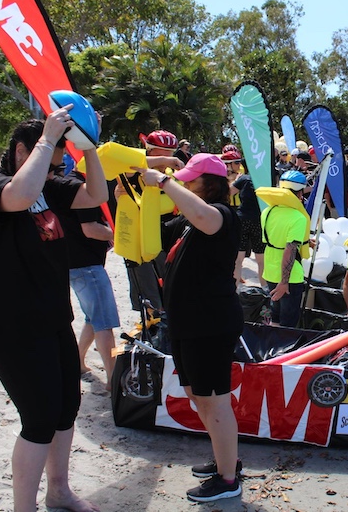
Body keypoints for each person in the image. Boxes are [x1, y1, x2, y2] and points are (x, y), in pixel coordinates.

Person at [0, 110, 108, 512]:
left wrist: (89, 147)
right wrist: (47, 142)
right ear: (22, 150)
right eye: (49, 162)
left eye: (59, 164)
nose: (54, 173)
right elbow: (19, 197)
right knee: (40, 418)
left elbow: (96, 195)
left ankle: (58, 491)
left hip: (52, 318)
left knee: (65, 409)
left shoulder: (48, 182)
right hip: (9, 326)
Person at [137, 153, 242, 502]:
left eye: (188, 179)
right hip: (189, 324)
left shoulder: (222, 215)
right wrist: (134, 194)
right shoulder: (187, 220)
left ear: (208, 183)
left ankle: (228, 480)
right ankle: (224, 459)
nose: (182, 182)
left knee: (215, 402)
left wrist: (164, 182)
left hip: (209, 324)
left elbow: (202, 214)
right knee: (200, 397)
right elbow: (151, 236)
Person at [58, 167, 120, 390]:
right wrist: (121, 237)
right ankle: (114, 379)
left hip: (74, 262)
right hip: (87, 265)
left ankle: (78, 361)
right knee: (104, 321)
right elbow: (90, 229)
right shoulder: (81, 187)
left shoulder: (68, 182)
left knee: (93, 318)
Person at [122, 130, 185, 312]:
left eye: (170, 153)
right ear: (148, 151)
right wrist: (163, 162)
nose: (167, 158)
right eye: (161, 152)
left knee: (173, 286)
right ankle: (153, 325)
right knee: (149, 290)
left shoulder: (172, 173)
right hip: (144, 237)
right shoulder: (136, 171)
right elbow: (129, 163)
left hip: (171, 233)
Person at [261, 170, 310, 327]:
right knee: (289, 322)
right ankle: (286, 351)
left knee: (275, 316)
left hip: (270, 271)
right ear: (300, 193)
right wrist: (284, 282)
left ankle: (273, 348)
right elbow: (289, 250)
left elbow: (275, 239)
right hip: (290, 278)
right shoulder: (298, 217)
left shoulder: (267, 211)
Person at [225, 145, 266, 287]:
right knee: (261, 259)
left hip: (242, 219)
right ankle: (265, 291)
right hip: (259, 221)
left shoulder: (244, 179)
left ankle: (234, 291)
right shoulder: (265, 179)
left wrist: (234, 179)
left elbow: (227, 193)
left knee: (239, 259)